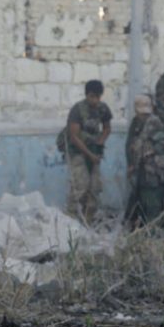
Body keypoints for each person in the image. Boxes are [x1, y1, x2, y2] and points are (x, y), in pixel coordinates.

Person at [65, 80, 113, 224]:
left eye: (98, 97)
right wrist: (90, 155)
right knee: (80, 187)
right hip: (78, 152)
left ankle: (88, 222)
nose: (95, 100)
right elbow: (74, 137)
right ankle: (70, 222)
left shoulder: (103, 108)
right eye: (92, 96)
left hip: (93, 152)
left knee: (94, 189)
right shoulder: (77, 110)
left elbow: (107, 128)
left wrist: (100, 141)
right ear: (87, 95)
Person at [124, 95, 164, 228]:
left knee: (152, 205)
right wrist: (131, 163)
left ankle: (153, 232)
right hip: (141, 171)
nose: (143, 116)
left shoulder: (153, 122)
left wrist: (151, 151)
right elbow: (130, 144)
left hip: (153, 172)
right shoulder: (136, 123)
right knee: (140, 202)